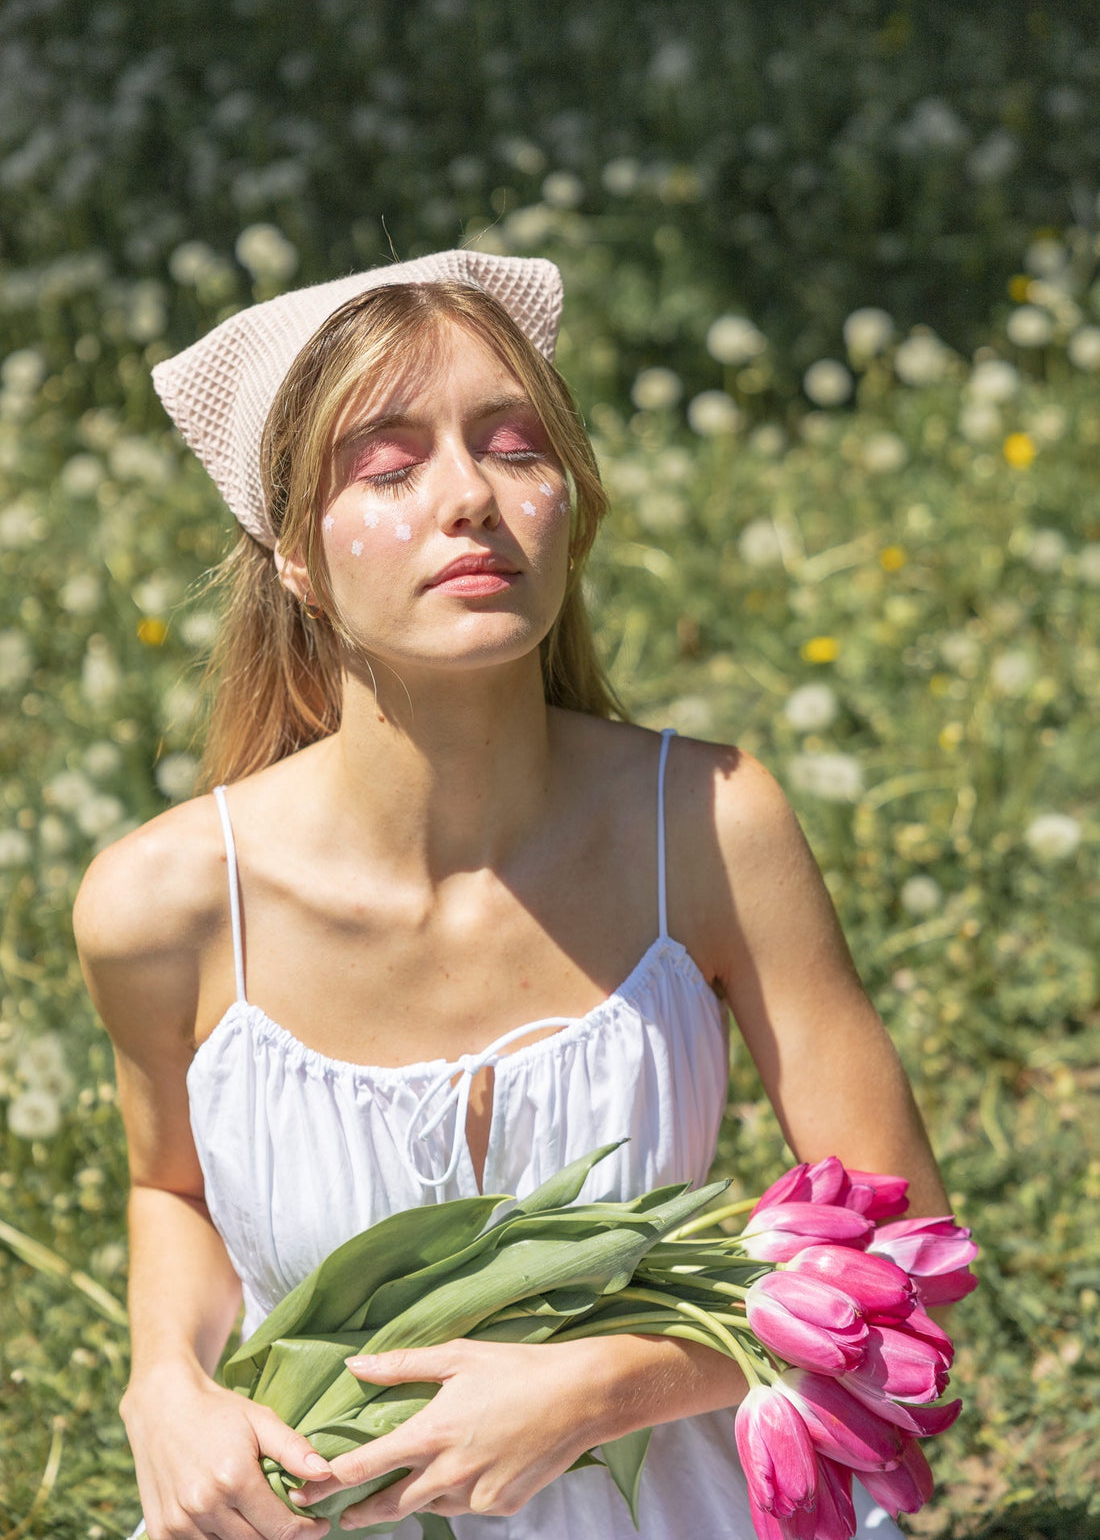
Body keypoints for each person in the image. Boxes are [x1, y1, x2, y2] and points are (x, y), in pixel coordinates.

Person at [73, 249, 951, 1540]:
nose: (469, 496)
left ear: (571, 508)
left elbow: (905, 1249)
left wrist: (608, 1383)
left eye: (515, 446)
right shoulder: (165, 907)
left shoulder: (711, 827)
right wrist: (164, 1380)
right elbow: (173, 1190)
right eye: (387, 466)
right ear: (296, 562)